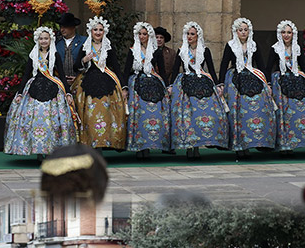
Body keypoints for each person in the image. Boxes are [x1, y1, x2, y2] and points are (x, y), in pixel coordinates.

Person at [4, 26, 77, 156]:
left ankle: (51, 151)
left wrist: (68, 93)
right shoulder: (33, 55)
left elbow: (61, 74)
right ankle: (37, 152)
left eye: (46, 38)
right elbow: (26, 75)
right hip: (34, 88)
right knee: (34, 121)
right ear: (37, 40)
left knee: (52, 122)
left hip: (53, 88)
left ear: (50, 40)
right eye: (41, 38)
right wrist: (20, 93)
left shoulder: (55, 54)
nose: (43, 41)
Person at [170, 22, 228, 152]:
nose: (189, 36)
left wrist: (218, 85)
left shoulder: (205, 50)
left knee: (202, 113)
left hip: (203, 82)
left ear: (198, 36)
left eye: (192, 34)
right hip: (185, 83)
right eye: (187, 34)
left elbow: (212, 69)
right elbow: (175, 70)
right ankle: (189, 147)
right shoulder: (181, 50)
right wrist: (170, 86)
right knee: (187, 115)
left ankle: (198, 146)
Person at [219, 18, 277, 151]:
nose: (243, 32)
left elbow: (261, 64)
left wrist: (267, 83)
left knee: (256, 108)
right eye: (241, 30)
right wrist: (220, 83)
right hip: (235, 78)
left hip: (253, 76)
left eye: (246, 30)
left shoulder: (253, 45)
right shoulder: (231, 45)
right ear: (236, 31)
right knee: (238, 110)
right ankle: (239, 145)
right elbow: (224, 64)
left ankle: (255, 141)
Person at [72, 18, 127, 149]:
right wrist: (84, 60)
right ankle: (90, 143)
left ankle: (104, 143)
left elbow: (116, 67)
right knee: (89, 115)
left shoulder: (108, 47)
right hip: (88, 82)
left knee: (107, 113)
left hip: (107, 82)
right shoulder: (85, 46)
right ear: (90, 31)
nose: (98, 32)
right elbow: (76, 67)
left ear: (104, 32)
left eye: (100, 30)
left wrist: (123, 87)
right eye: (95, 29)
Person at [266, 20, 305, 149]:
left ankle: (295, 142)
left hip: (296, 79)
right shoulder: (275, 49)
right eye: (283, 32)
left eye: (289, 32)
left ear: (293, 34)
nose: (286, 35)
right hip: (280, 80)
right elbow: (268, 68)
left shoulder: (297, 48)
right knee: (284, 112)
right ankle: (283, 144)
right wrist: (268, 85)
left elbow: (304, 67)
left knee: (299, 110)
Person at [123, 22, 170, 153]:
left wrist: (167, 87)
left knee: (153, 114)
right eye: (140, 34)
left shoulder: (156, 51)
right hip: (136, 83)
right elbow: (126, 71)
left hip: (154, 83)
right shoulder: (132, 51)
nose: (142, 36)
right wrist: (124, 87)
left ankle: (150, 146)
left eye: (144, 34)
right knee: (139, 115)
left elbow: (163, 71)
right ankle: (139, 147)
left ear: (149, 36)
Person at [55, 13, 87, 89]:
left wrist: (78, 78)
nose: (62, 29)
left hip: (80, 83)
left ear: (73, 27)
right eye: (61, 27)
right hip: (61, 84)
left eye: (65, 27)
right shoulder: (56, 43)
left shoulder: (84, 41)